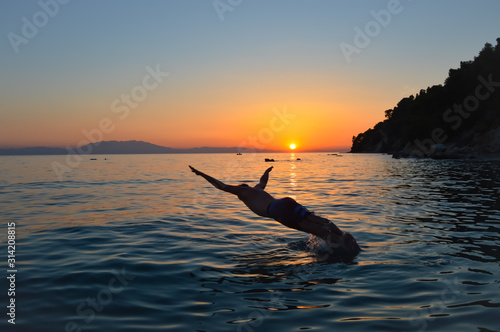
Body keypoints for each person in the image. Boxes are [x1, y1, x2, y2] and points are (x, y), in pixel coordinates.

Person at [189, 165, 360, 260]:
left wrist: (201, 174)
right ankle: (343, 235)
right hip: (285, 201)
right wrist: (266, 171)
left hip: (277, 210)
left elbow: (221, 186)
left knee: (314, 230)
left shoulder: (242, 192)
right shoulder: (257, 189)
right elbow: (262, 181)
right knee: (318, 220)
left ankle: (342, 248)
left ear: (240, 189)